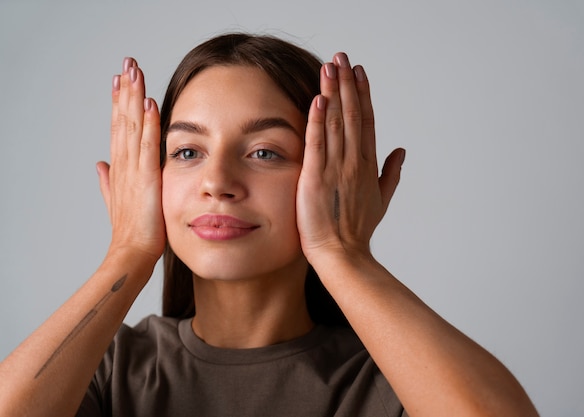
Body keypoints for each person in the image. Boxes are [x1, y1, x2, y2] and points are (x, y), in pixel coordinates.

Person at [0, 33, 539, 417]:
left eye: (264, 151)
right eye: (187, 151)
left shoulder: (392, 383)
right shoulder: (107, 369)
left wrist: (341, 250)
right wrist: (129, 251)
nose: (218, 181)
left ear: (334, 174)